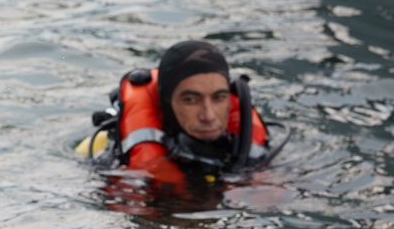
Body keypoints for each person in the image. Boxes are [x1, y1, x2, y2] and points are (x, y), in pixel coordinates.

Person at [78, 39, 281, 185]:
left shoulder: (250, 145)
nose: (209, 116)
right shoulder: (101, 149)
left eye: (219, 97)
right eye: (190, 100)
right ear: (165, 102)